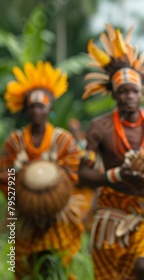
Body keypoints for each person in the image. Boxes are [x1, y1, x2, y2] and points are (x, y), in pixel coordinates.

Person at [78, 24, 144, 280]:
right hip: (111, 213)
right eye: (123, 91)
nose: (129, 96)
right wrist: (116, 176)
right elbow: (83, 174)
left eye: (134, 91)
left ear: (143, 93)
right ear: (114, 95)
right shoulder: (100, 127)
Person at [0, 61, 88, 279]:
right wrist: (20, 194)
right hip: (25, 215)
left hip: (57, 215)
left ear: (50, 108)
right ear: (26, 109)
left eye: (42, 106)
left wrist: (53, 187)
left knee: (53, 264)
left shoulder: (63, 140)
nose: (37, 110)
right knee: (26, 267)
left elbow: (74, 173)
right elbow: (5, 177)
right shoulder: (14, 142)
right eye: (32, 106)